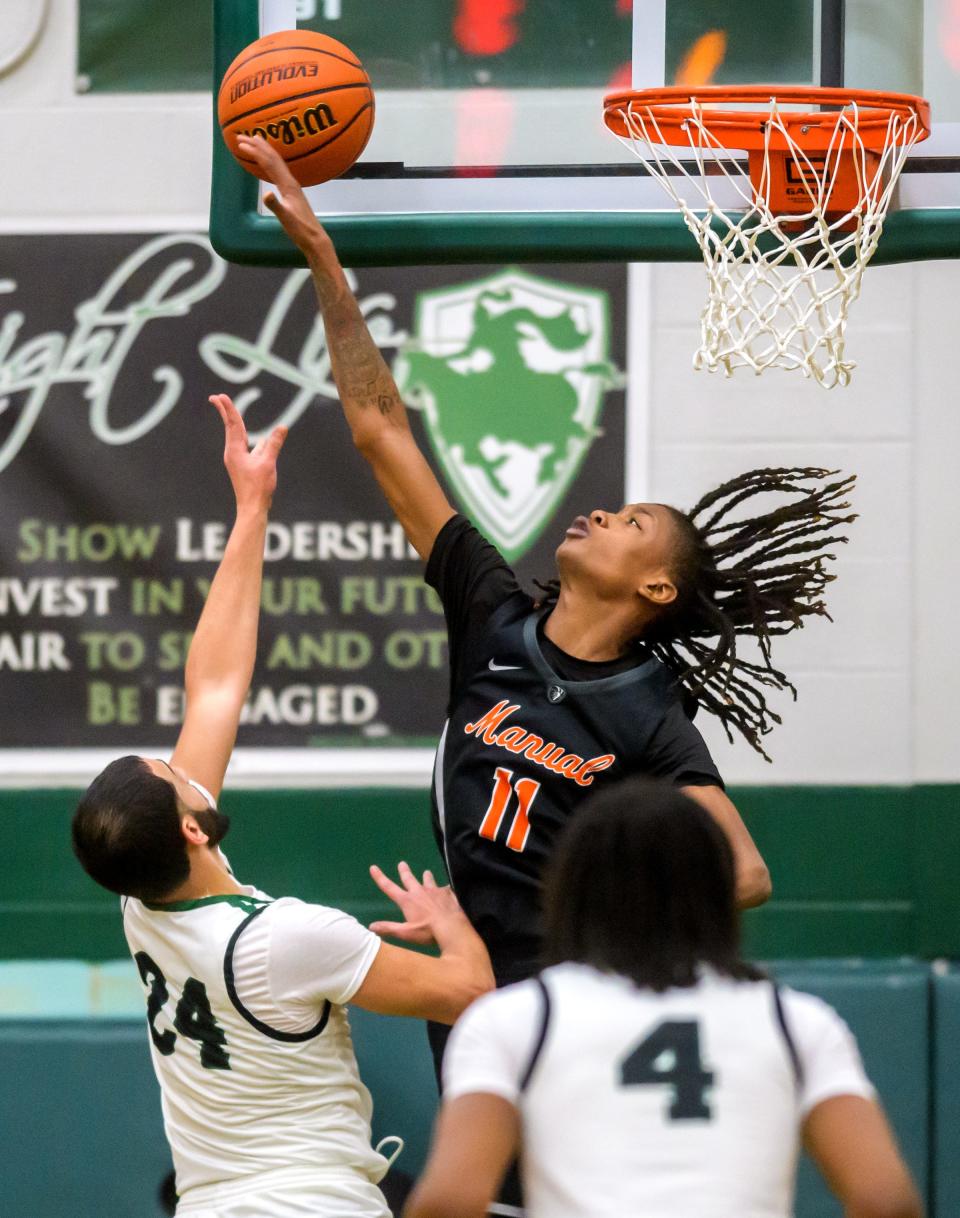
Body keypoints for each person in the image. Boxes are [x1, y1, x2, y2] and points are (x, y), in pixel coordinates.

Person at [237, 134, 857, 1210]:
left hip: (568, 990)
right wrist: (325, 263)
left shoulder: (647, 715)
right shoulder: (491, 612)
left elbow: (745, 874)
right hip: (469, 981)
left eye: (631, 522)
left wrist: (610, 926)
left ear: (656, 588)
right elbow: (382, 432)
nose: (603, 511)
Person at [71, 394, 494, 1218]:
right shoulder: (291, 938)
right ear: (190, 826)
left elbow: (216, 688)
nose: (182, 755)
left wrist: (251, 507)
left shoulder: (143, 900)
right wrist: (450, 919)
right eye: (170, 768)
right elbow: (471, 996)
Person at [404, 779, 923, 1218]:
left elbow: (450, 1200)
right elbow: (885, 1199)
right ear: (718, 891)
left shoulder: (516, 1019)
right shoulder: (796, 1021)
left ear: (570, 892)